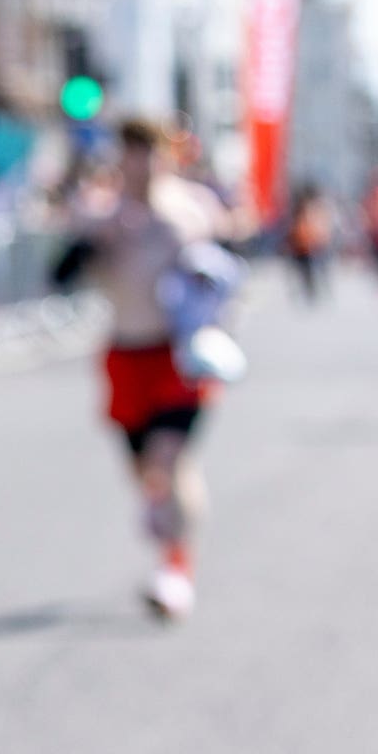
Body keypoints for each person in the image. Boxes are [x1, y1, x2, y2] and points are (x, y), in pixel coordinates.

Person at [66, 116, 232, 621]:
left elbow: (225, 273)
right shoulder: (102, 213)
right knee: (143, 471)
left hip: (177, 355)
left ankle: (176, 571)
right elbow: (65, 269)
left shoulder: (192, 210)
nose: (139, 163)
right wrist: (96, 242)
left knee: (170, 461)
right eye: (129, 152)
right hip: (126, 351)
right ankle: (166, 530)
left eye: (149, 152)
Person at [283, 183, 334, 303]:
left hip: (308, 242)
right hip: (304, 242)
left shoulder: (309, 208)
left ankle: (313, 289)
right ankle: (311, 289)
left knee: (310, 268)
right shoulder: (302, 209)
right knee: (307, 268)